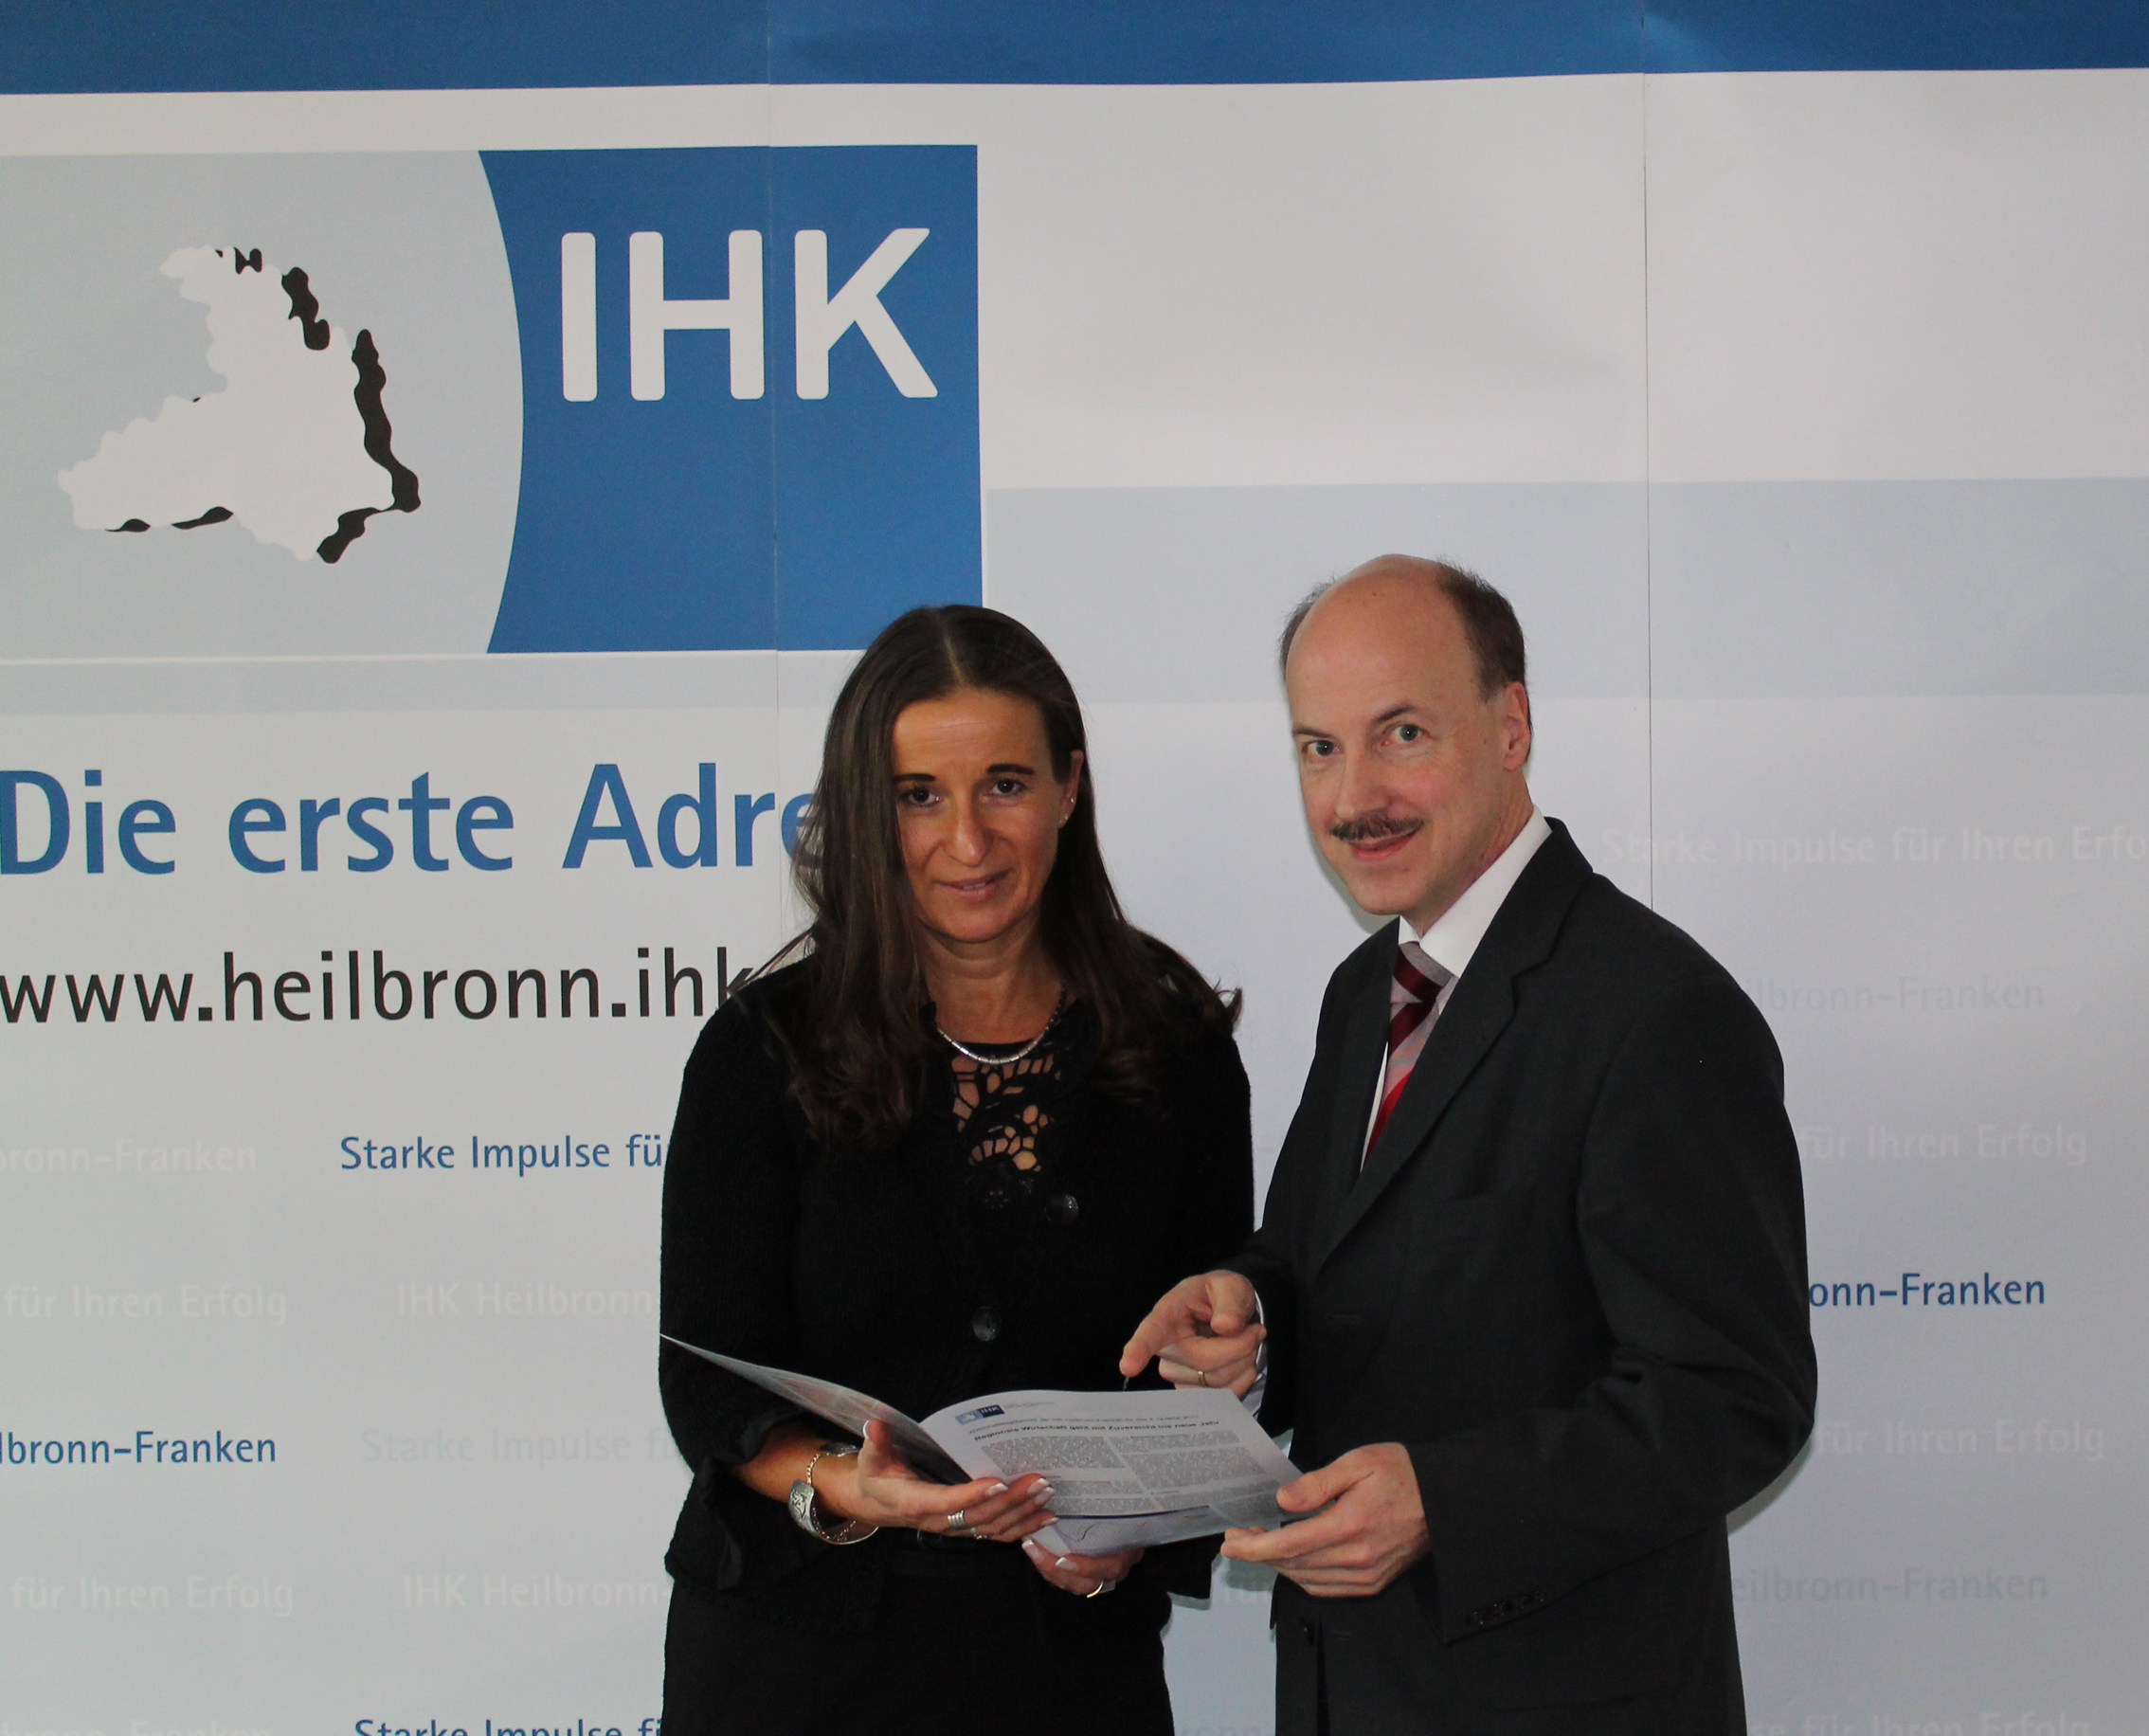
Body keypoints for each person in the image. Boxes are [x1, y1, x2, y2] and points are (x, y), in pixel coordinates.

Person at [1121, 557, 1816, 1734]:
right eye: (1319, 748)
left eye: (1401, 733)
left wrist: (1444, 1500)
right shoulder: (1364, 992)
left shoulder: (1656, 1008)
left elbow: (1736, 1396)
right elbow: (1327, 1261)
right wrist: (1250, 1317)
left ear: (1512, 725)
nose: (1355, 796)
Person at [658, 604, 1253, 1735]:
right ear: (861, 811)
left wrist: (1135, 1533)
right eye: (918, 794)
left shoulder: (1173, 1043)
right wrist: (844, 1483)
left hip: (1068, 1673)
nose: (967, 841)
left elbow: (1215, 1365)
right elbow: (705, 1379)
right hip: (799, 1666)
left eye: (1005, 784)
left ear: (1069, 786)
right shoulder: (763, 1049)